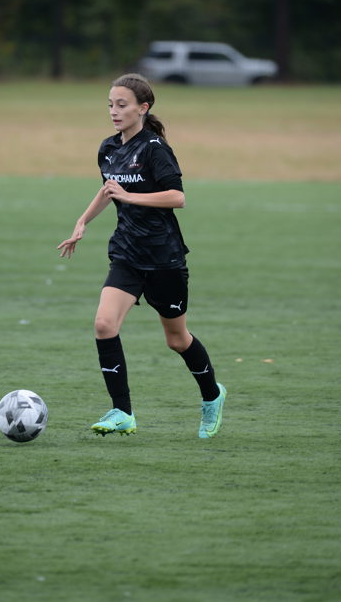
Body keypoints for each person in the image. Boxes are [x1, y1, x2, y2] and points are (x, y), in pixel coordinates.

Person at [57, 73, 226, 439]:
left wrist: (130, 196)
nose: (114, 112)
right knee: (104, 324)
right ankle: (122, 412)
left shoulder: (154, 149)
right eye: (110, 105)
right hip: (127, 253)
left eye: (122, 105)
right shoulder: (108, 148)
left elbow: (177, 197)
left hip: (164, 258)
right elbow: (109, 189)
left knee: (177, 340)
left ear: (143, 108)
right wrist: (82, 222)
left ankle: (212, 395)